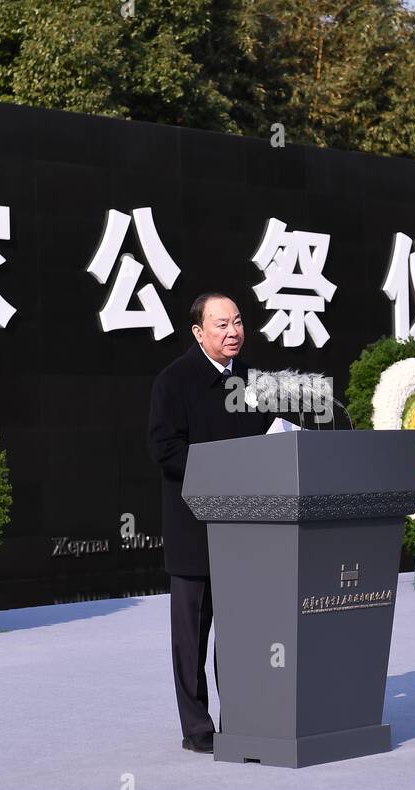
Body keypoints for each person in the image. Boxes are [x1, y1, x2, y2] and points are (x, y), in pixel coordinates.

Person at [146, 293, 270, 753]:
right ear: (198, 332)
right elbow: (163, 449)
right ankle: (197, 729)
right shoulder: (174, 381)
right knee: (192, 641)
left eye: (238, 322)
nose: (233, 332)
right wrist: (220, 468)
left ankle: (238, 718)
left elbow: (265, 438)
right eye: (221, 325)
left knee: (239, 638)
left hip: (247, 533)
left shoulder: (253, 381)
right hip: (195, 531)